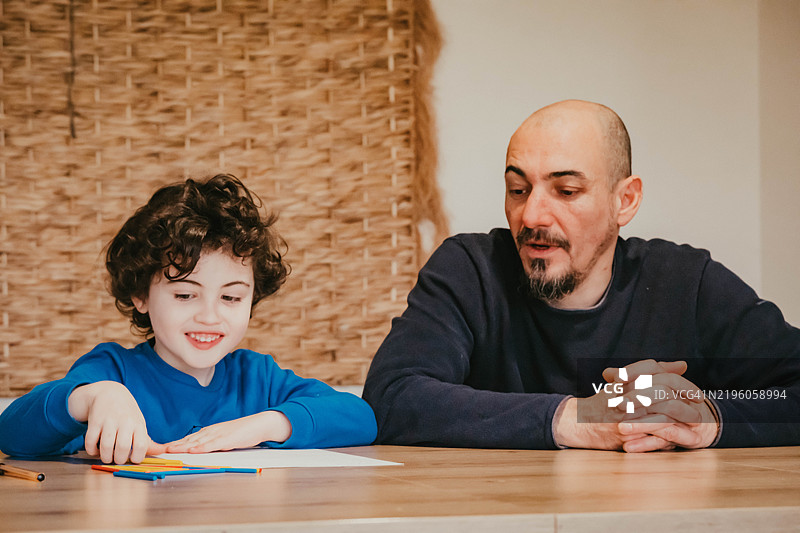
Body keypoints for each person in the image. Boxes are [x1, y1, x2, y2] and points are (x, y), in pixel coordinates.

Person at [362, 100, 800, 452]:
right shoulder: (470, 270)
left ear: (624, 200)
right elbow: (392, 397)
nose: (531, 214)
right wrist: (578, 418)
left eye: (566, 191)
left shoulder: (685, 283)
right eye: (518, 189)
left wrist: (708, 415)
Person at [0, 174, 377, 464]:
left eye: (231, 296)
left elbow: (360, 417)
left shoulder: (258, 378)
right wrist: (92, 398)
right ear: (141, 295)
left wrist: (264, 424)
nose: (210, 315)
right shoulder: (112, 372)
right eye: (184, 294)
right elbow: (11, 434)